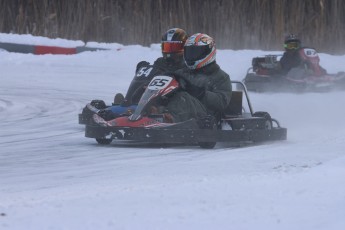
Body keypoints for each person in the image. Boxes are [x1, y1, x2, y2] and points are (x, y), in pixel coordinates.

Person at [97, 28, 188, 120]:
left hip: (168, 98)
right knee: (145, 75)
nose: (170, 51)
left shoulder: (186, 65)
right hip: (148, 94)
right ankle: (127, 103)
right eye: (167, 47)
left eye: (174, 47)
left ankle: (144, 109)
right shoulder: (160, 63)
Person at [162, 33, 232, 123]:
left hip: (205, 116)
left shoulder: (221, 77)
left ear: (208, 52)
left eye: (195, 52)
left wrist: (200, 93)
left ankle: (167, 120)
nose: (191, 56)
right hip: (182, 112)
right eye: (190, 52)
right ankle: (154, 114)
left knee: (183, 97)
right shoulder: (182, 72)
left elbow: (221, 102)